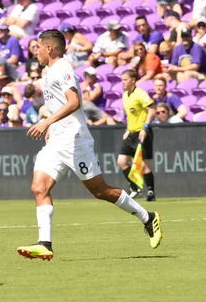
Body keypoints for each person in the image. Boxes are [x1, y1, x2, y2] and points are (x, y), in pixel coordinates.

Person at [16, 30, 162, 261]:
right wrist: (52, 128)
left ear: (49, 48)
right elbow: (60, 105)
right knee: (39, 188)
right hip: (57, 141)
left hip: (75, 141)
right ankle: (45, 243)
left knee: (100, 191)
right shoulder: (50, 71)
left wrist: (46, 122)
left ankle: (147, 216)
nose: (36, 52)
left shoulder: (63, 68)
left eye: (38, 47)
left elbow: (74, 102)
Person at [115, 69, 157, 201]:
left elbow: (152, 110)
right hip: (131, 132)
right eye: (122, 80)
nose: (123, 82)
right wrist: (128, 128)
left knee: (143, 165)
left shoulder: (140, 94)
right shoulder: (125, 95)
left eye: (125, 79)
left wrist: (145, 128)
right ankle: (135, 188)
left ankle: (150, 192)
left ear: (133, 80)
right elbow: (131, 115)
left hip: (142, 132)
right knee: (121, 161)